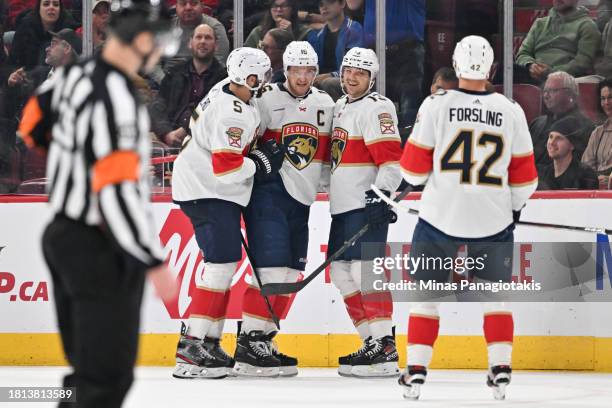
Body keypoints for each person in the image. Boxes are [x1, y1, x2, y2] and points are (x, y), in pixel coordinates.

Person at [17, 0, 178, 406]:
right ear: (140, 42)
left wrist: (73, 154)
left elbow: (30, 127)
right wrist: (150, 258)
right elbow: (117, 188)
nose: (158, 56)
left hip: (62, 234)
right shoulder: (117, 96)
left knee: (86, 371)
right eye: (156, 46)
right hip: (100, 244)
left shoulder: (70, 76)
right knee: (107, 377)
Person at [398, 36, 538, 401]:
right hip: (492, 221)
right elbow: (525, 179)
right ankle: (501, 369)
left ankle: (415, 371)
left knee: (426, 297)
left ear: (456, 66)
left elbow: (412, 171)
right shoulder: (511, 111)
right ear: (492, 69)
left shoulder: (435, 104)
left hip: (439, 217)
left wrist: (430, 181)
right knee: (494, 297)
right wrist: (513, 210)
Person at [170, 47, 283, 379]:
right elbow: (227, 168)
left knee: (224, 265)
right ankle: (192, 347)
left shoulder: (225, 89)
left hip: (207, 188)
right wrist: (259, 163)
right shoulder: (233, 112)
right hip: (209, 190)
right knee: (219, 266)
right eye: (261, 76)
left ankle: (209, 342)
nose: (265, 81)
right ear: (249, 78)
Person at [236, 41, 334, 377]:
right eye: (297, 69)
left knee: (291, 275)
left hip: (302, 200)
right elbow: (241, 141)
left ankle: (264, 337)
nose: (303, 76)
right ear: (286, 70)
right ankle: (249, 341)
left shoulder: (326, 103)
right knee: (270, 272)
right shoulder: (265, 98)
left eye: (309, 70)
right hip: (268, 194)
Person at [328, 47, 402, 378]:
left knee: (365, 273)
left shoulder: (377, 108)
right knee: (341, 274)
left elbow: (391, 160)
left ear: (371, 78)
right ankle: (371, 342)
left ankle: (385, 343)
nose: (352, 77)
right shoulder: (340, 107)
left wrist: (382, 195)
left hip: (364, 204)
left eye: (360, 72)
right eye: (348, 70)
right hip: (342, 207)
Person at [347, 0, 425, 129]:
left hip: (406, 49)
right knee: (372, 107)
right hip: (374, 50)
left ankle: (408, 145)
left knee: (409, 109)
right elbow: (352, 4)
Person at [150, 24, 227, 147]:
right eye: (199, 37)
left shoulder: (224, 79)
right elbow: (158, 106)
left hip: (204, 141)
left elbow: (214, 115)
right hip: (168, 135)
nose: (203, 41)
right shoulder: (174, 73)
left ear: (216, 45)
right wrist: (166, 133)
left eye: (208, 38)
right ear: (190, 43)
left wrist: (186, 129)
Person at [515, 0, 601, 84]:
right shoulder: (540, 24)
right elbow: (523, 53)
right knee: (506, 70)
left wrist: (551, 72)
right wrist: (530, 65)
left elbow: (583, 63)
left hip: (564, 81)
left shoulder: (587, 26)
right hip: (532, 76)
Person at [529, 71, 594, 168]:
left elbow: (573, 167)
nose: (546, 96)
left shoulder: (584, 127)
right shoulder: (537, 123)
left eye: (552, 91)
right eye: (545, 91)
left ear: (570, 94)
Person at [307, 0, 363, 101]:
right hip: (321, 78)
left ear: (342, 4)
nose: (324, 7)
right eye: (321, 4)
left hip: (348, 79)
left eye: (330, 2)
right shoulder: (316, 35)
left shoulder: (354, 29)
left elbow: (354, 66)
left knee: (328, 82)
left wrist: (330, 75)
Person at [539, 116, 599, 190]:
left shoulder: (585, 176)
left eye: (559, 138)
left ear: (572, 145)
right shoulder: (542, 175)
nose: (551, 142)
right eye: (551, 137)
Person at [169, 0, 229, 69]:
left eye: (194, 3)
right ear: (176, 6)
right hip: (168, 75)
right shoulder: (167, 28)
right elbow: (156, 63)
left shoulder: (215, 27)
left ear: (202, 6)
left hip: (205, 77)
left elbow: (219, 64)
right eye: (183, 4)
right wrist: (164, 79)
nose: (188, 8)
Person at [582, 78, 612, 187]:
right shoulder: (597, 133)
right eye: (603, 98)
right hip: (596, 189)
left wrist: (609, 180)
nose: (606, 103)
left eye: (610, 97)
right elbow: (586, 166)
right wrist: (594, 180)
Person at [244, 0, 310, 48]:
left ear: (292, 9)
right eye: (274, 6)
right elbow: (247, 54)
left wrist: (289, 35)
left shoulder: (304, 32)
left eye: (284, 6)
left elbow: (301, 58)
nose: (278, 9)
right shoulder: (258, 32)